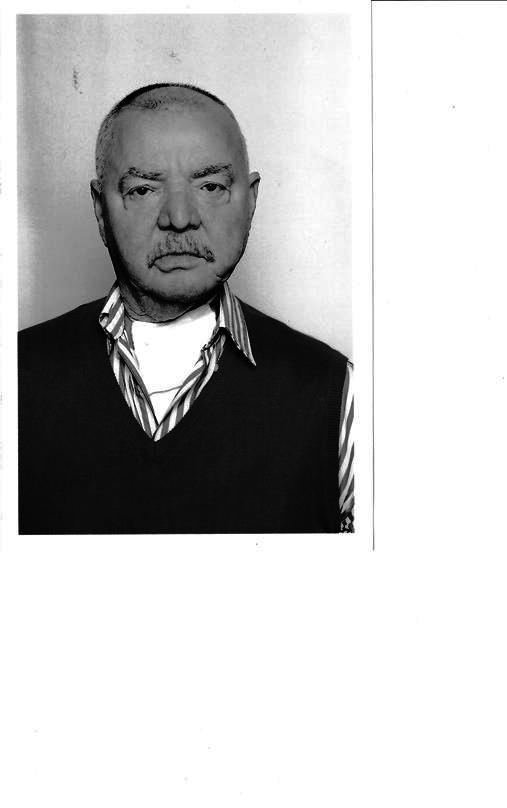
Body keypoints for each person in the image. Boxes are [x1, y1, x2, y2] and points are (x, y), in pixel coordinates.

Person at [18, 82, 354, 534]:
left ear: (251, 200)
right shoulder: (14, 374)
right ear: (100, 209)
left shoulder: (337, 391)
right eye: (142, 190)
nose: (179, 218)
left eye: (211, 186)